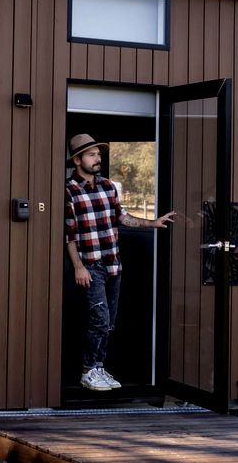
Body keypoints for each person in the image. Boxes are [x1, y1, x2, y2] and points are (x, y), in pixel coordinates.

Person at [64, 133, 176, 392]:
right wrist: (78, 266)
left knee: (109, 321)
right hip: (90, 266)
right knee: (99, 320)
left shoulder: (108, 186)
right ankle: (87, 370)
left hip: (113, 265)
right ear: (77, 159)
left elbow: (122, 218)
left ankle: (99, 367)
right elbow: (69, 234)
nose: (97, 158)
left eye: (98, 154)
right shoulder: (69, 191)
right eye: (91, 155)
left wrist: (153, 223)